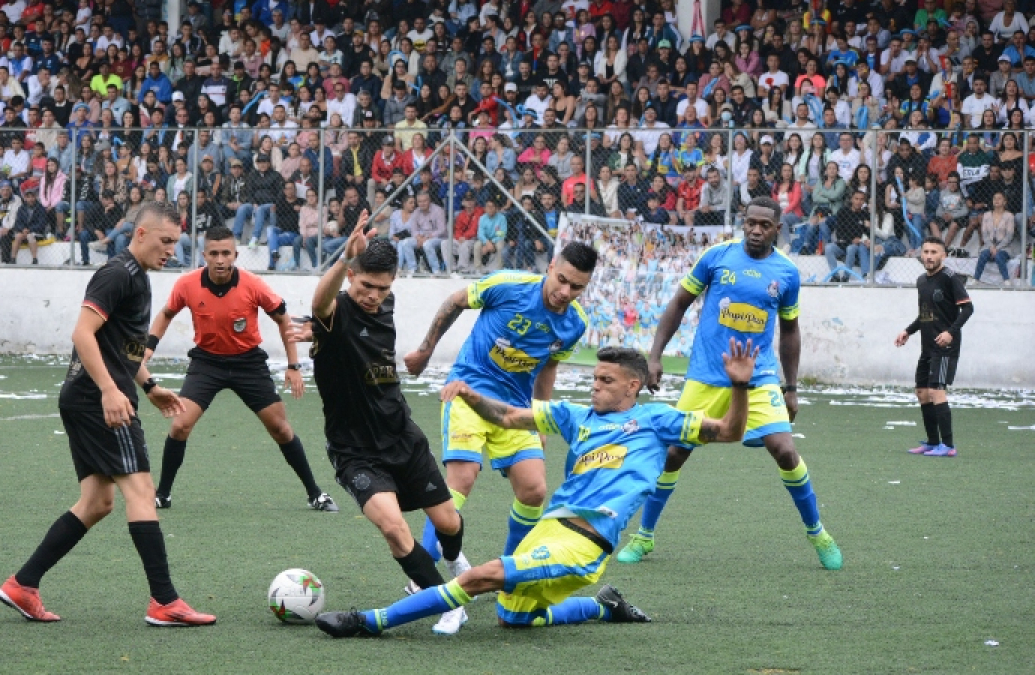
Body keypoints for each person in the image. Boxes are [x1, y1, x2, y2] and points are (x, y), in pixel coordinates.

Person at [314, 340, 758, 638]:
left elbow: (729, 430)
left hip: (586, 542)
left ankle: (369, 621)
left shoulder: (659, 419)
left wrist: (739, 385)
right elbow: (508, 417)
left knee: (479, 576)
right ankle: (605, 608)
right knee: (514, 617)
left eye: (605, 380)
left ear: (632, 385)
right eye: (595, 377)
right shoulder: (576, 416)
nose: (595, 385)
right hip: (549, 527)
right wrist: (471, 397)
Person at [0, 202, 215, 627]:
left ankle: (24, 584)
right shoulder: (118, 273)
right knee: (141, 488)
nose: (172, 250)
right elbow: (82, 332)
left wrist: (148, 386)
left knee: (96, 502)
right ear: (141, 234)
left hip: (86, 397)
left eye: (177, 243)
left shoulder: (139, 277)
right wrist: (111, 390)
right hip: (97, 400)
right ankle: (164, 601)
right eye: (166, 241)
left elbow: (123, 348)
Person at [615, 196, 843, 571]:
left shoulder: (786, 273)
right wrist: (654, 356)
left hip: (759, 376)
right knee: (674, 453)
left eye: (764, 225)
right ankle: (644, 537)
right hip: (707, 374)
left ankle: (818, 533)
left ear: (777, 229)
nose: (755, 230)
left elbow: (790, 331)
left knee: (785, 450)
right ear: (743, 223)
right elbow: (678, 304)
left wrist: (791, 387)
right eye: (750, 223)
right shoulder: (716, 257)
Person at [402, 243, 598, 627]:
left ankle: (508, 575)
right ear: (551, 266)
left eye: (577, 287)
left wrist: (539, 418)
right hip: (468, 393)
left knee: (534, 491)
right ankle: (420, 579)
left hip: (514, 410)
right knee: (461, 480)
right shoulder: (508, 286)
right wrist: (426, 350)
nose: (565, 292)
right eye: (561, 280)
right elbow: (455, 302)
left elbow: (547, 370)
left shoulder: (575, 323)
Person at [303, 216, 467, 635]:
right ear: (351, 277)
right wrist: (345, 257)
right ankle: (447, 602)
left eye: (383, 288)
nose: (374, 297)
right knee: (394, 529)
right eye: (365, 287)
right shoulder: (335, 310)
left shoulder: (386, 304)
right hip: (355, 451)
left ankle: (453, 562)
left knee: (448, 523)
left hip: (403, 437)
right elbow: (320, 303)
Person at [143, 225, 337, 511]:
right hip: (206, 363)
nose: (220, 260)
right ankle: (163, 494)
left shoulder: (253, 284)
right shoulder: (187, 284)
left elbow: (283, 320)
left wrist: (293, 365)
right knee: (180, 425)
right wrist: (147, 349)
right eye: (214, 254)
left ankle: (315, 494)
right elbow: (166, 314)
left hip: (248, 363)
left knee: (281, 429)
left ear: (235, 254)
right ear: (204, 255)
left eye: (225, 253)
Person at [895, 238, 974, 458]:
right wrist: (907, 331)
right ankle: (932, 442)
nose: (929, 256)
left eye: (934, 252)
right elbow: (925, 315)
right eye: (926, 251)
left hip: (945, 347)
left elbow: (968, 309)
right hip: (927, 347)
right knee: (922, 392)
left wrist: (950, 332)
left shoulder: (950, 278)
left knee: (936, 391)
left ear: (943, 255)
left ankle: (948, 446)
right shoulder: (921, 281)